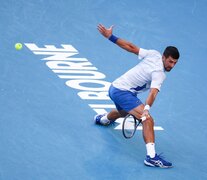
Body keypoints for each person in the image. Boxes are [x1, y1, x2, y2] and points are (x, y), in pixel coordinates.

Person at [94, 24, 180, 168]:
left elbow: (132, 48)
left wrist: (110, 37)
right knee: (148, 119)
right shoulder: (159, 73)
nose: (172, 65)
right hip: (122, 92)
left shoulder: (154, 54)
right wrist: (146, 109)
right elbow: (153, 93)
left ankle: (103, 119)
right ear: (164, 57)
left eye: (175, 63)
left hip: (115, 87)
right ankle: (151, 157)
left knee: (123, 112)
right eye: (170, 61)